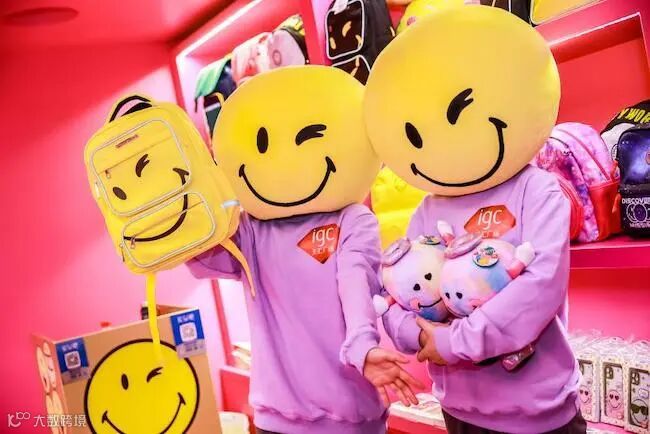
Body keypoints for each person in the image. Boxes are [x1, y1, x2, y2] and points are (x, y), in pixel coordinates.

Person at [363, 5, 585, 434]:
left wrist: (453, 342)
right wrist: (413, 333)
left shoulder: (536, 189)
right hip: (459, 410)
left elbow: (539, 288)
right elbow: (397, 291)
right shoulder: (429, 208)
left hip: (539, 412)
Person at [187, 66, 421, 434]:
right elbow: (202, 254)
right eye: (263, 145)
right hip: (274, 416)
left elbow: (356, 282)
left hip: (348, 415)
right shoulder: (250, 229)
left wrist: (363, 346)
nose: (285, 160)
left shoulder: (351, 219)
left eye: (308, 138)